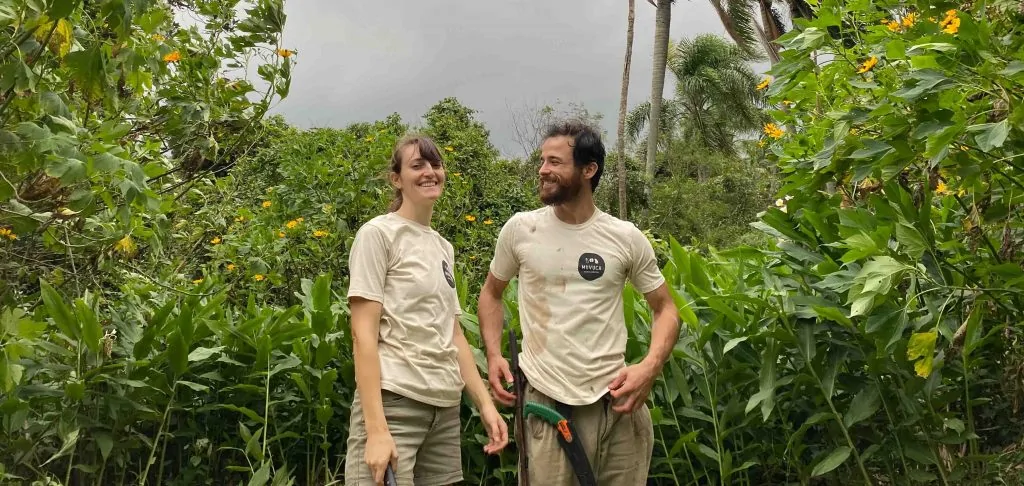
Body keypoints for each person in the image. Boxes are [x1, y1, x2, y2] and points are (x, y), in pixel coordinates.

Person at [476, 120, 680, 485]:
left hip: (617, 404)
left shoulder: (625, 237)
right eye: (543, 161)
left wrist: (649, 367)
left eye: (555, 162)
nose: (543, 170)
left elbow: (665, 308)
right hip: (548, 402)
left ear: (589, 170)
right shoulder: (521, 230)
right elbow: (491, 293)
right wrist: (493, 355)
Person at [345, 134, 508, 486]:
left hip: (444, 409)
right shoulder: (378, 235)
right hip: (395, 403)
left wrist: (485, 404)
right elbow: (363, 335)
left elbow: (452, 334)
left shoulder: (442, 247)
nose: (429, 172)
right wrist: (376, 431)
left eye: (435, 164)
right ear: (396, 179)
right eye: (417, 165)